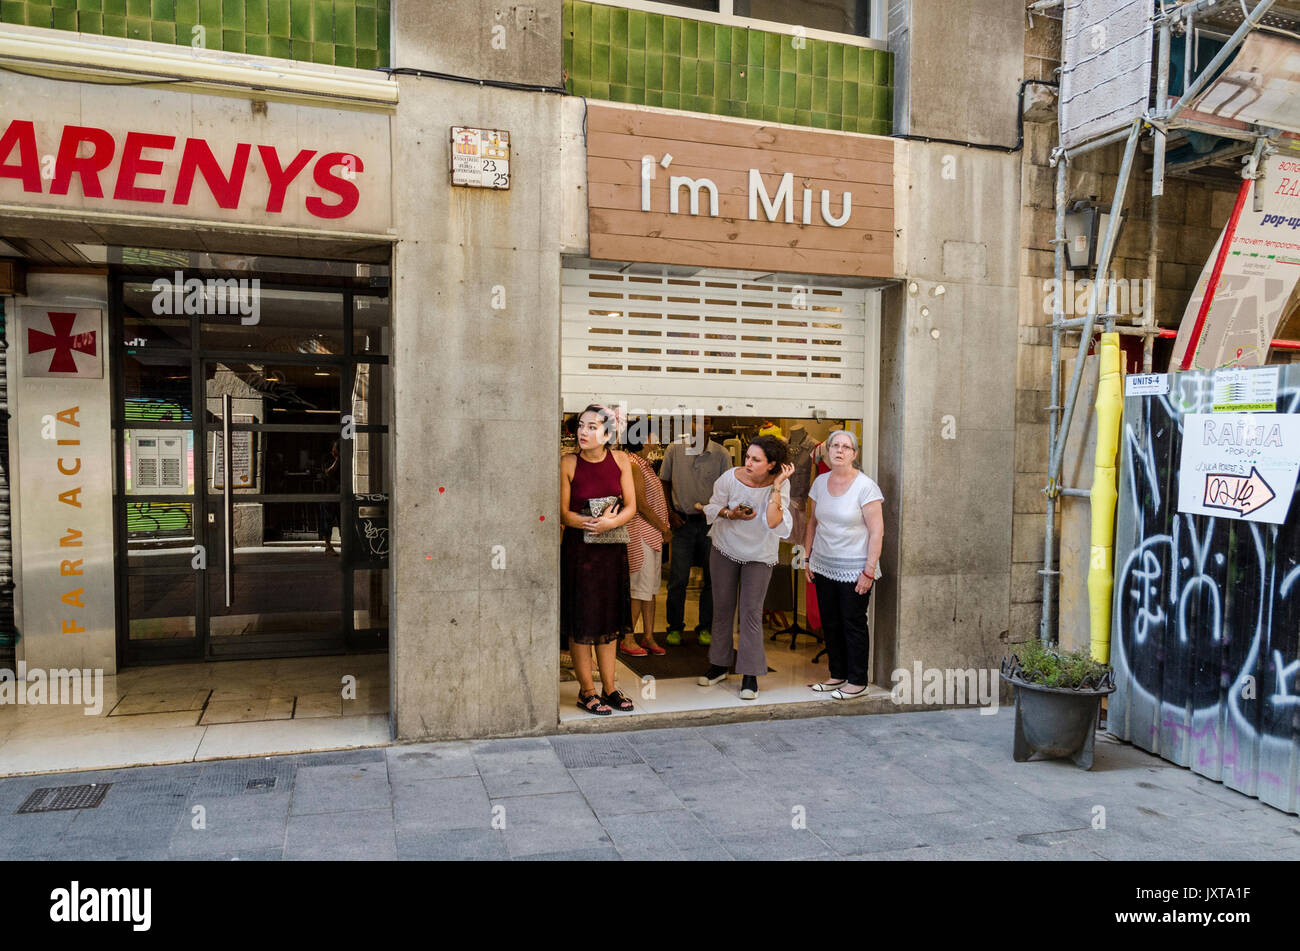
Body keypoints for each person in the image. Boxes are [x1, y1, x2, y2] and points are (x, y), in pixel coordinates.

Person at [697, 435, 794, 700]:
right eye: (747, 457)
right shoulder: (729, 478)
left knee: (751, 612)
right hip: (725, 548)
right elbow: (713, 505)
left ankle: (750, 675)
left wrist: (775, 486)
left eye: (756, 459)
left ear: (772, 464)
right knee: (723, 607)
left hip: (760, 554)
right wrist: (731, 514)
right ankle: (718, 665)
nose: (748, 462)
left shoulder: (779, 485)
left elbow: (774, 522)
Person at [560, 405, 638, 715]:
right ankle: (586, 691)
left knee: (608, 622)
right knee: (583, 622)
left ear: (608, 434)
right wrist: (590, 523)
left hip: (611, 550)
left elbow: (631, 506)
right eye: (581, 425)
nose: (583, 432)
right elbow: (562, 512)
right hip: (580, 551)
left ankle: (610, 687)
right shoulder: (567, 463)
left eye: (592, 427)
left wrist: (612, 524)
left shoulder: (621, 460)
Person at [804, 430, 884, 700]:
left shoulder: (866, 486)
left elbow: (877, 532)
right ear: (827, 451)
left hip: (855, 569)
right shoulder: (820, 483)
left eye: (846, 447)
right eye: (834, 445)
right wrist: (807, 557)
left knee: (853, 622)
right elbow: (812, 523)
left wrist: (868, 571)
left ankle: (858, 680)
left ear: (855, 454)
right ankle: (837, 675)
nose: (839, 450)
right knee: (831, 622)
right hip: (824, 565)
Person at [659, 415, 731, 646]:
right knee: (678, 579)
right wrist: (670, 513)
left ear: (712, 426)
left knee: (712, 579)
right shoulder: (674, 450)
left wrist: (719, 512)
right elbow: (665, 483)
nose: (701, 426)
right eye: (696, 421)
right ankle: (675, 627)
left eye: (707, 421)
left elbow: (729, 489)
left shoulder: (721, 454)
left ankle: (705, 627)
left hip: (711, 524)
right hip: (682, 522)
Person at [620, 430, 672, 657]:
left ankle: (648, 636)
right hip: (640, 532)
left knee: (650, 589)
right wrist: (663, 527)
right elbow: (640, 503)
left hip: (652, 535)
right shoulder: (633, 464)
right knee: (639, 587)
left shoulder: (645, 464)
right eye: (652, 434)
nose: (656, 438)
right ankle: (628, 637)